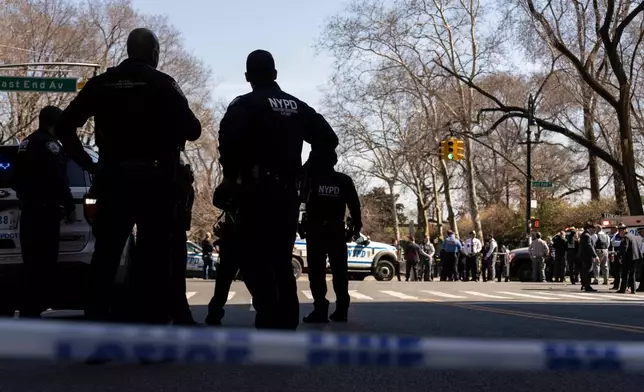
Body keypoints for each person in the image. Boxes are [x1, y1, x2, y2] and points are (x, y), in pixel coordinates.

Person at [56, 28, 202, 323]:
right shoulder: (163, 84)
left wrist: (88, 163)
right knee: (154, 257)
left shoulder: (102, 83)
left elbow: (64, 125)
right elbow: (194, 130)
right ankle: (150, 328)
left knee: (106, 256)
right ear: (153, 54)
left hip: (112, 179)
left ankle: (97, 325)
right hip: (155, 181)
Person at [216, 49, 338, 330]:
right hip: (287, 194)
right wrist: (306, 171)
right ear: (275, 74)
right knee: (281, 258)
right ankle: (287, 319)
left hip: (255, 192)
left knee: (252, 257)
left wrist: (231, 179)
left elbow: (228, 145)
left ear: (247, 77)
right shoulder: (297, 106)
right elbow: (328, 139)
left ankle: (269, 314)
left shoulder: (245, 105)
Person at [11, 106, 75, 318]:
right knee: (45, 261)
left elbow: (16, 177)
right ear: (55, 124)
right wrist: (69, 205)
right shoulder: (51, 145)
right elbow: (59, 178)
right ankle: (37, 305)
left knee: (30, 261)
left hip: (28, 210)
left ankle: (28, 307)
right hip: (46, 212)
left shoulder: (25, 144)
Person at [300, 150, 361, 323]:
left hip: (316, 230)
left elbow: (300, 201)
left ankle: (320, 309)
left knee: (316, 272)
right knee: (339, 271)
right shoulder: (343, 180)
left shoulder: (311, 180)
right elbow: (354, 205)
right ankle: (342, 309)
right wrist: (356, 224)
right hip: (336, 230)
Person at [205, 212, 241, 326]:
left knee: (222, 287)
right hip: (244, 244)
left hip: (230, 246)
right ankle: (267, 318)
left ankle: (213, 315)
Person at [618, 225, 642, 294]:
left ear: (624, 230)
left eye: (620, 231)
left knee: (625, 274)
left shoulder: (626, 237)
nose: (620, 232)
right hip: (635, 257)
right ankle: (633, 289)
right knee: (632, 274)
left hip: (628, 258)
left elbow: (624, 248)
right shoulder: (632, 236)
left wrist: (620, 257)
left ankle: (622, 289)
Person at [578, 222, 598, 292]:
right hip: (587, 256)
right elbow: (589, 246)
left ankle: (584, 284)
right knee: (588, 271)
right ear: (590, 228)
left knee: (585, 271)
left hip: (583, 256)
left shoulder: (584, 234)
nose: (595, 231)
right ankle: (587, 286)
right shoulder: (587, 235)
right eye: (594, 229)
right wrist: (595, 255)